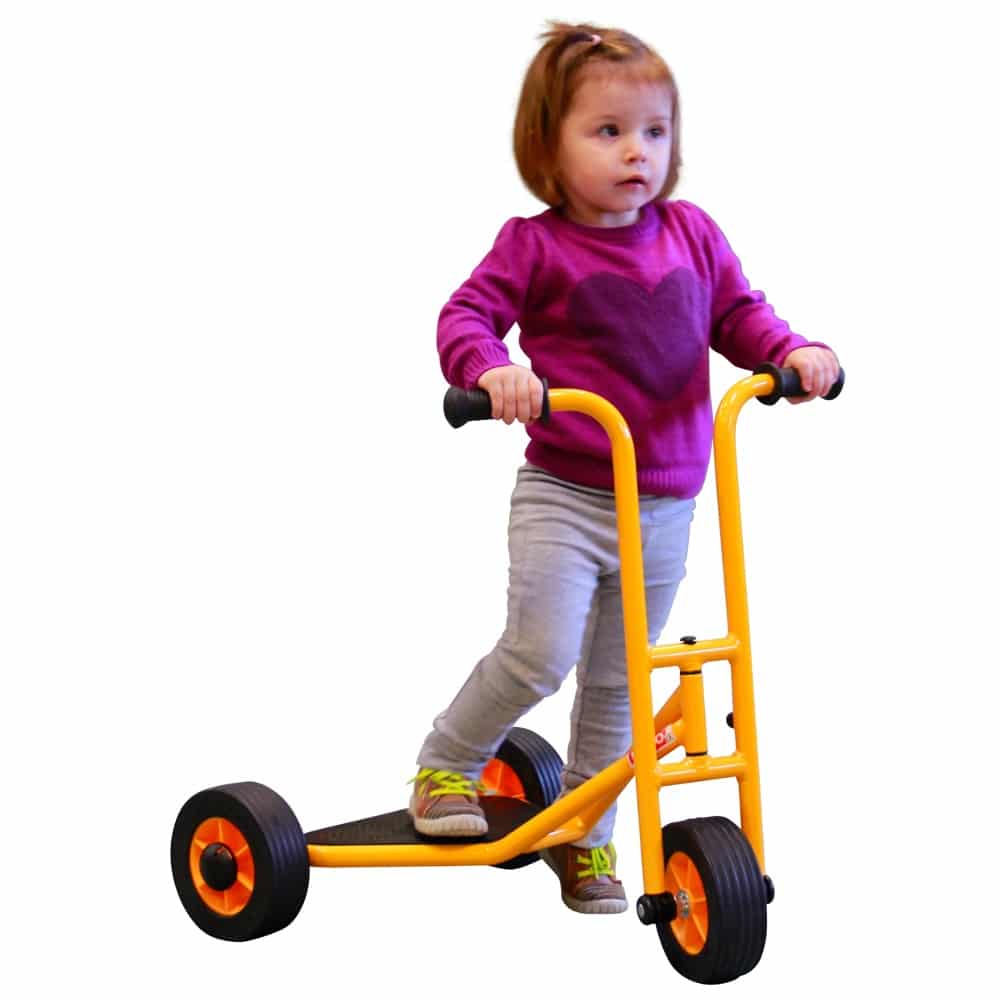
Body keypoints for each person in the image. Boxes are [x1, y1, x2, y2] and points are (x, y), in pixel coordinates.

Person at [408, 21, 839, 915]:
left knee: (618, 681)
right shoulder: (534, 246)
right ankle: (446, 765)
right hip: (565, 496)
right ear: (548, 146)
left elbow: (739, 314)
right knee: (540, 654)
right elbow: (467, 315)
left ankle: (585, 834)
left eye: (654, 131)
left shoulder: (692, 234)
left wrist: (791, 352)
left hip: (667, 503)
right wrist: (492, 370)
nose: (637, 151)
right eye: (607, 131)